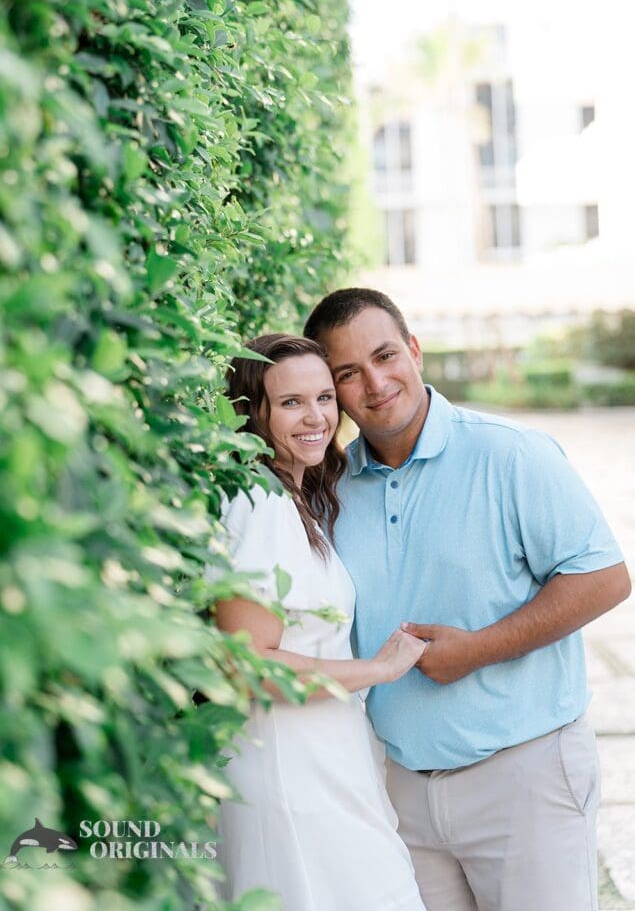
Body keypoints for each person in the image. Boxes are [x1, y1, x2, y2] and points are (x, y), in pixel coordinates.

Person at [303, 287, 631, 911]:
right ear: (333, 390)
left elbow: (605, 577)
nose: (375, 384)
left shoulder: (511, 454)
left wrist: (477, 650)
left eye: (386, 356)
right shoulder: (331, 487)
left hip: (524, 779)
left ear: (416, 351)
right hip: (400, 790)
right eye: (348, 373)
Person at [209, 333, 428, 911]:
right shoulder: (258, 503)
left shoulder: (297, 499)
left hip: (325, 762)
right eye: (290, 403)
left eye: (325, 397)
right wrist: (376, 669)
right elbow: (249, 665)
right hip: (288, 771)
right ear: (252, 412)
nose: (316, 418)